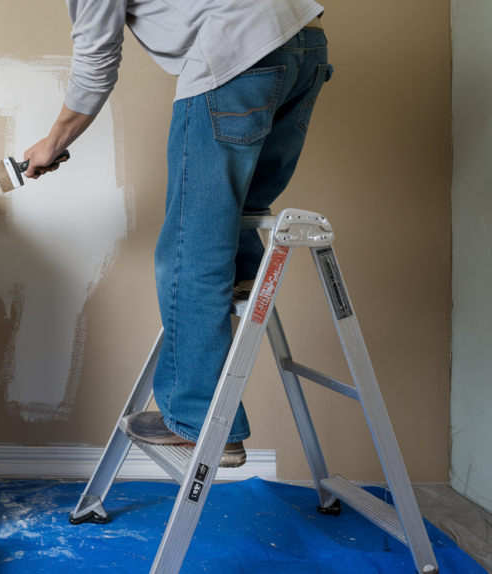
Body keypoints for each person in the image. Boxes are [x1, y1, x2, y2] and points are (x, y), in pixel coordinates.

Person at [24, 0, 332, 467]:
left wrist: (53, 142)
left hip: (236, 54)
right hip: (302, 42)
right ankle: (242, 275)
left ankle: (199, 420)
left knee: (191, 246)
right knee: (240, 204)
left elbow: (96, 63)